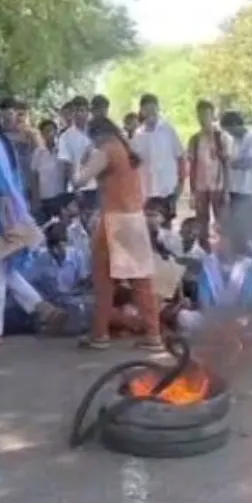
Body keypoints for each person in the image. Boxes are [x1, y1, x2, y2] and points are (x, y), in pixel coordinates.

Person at [0, 98, 63, 348]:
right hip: (10, 208)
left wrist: (2, 213)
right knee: (2, 269)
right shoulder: (2, 141)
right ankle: (41, 307)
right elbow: (14, 178)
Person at [74, 116, 164, 351]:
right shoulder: (127, 150)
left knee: (103, 280)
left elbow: (79, 180)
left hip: (114, 221)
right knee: (142, 281)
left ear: (96, 135)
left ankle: (100, 334)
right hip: (134, 219)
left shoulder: (107, 150)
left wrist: (83, 160)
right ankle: (153, 334)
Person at [132, 93, 184, 227]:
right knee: (149, 228)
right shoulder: (138, 135)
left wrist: (181, 183)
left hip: (167, 188)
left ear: (157, 109)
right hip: (147, 190)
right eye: (147, 109)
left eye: (153, 109)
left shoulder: (168, 130)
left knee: (166, 228)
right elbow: (134, 162)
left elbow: (180, 156)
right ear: (142, 111)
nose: (150, 113)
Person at [187, 100, 231, 252]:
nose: (203, 118)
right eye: (200, 115)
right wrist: (192, 191)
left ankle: (223, 253)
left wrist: (227, 189)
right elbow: (192, 166)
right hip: (201, 187)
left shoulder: (222, 138)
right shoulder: (195, 139)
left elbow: (227, 164)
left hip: (217, 186)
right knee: (201, 223)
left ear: (212, 116)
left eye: (206, 114)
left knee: (222, 223)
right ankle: (205, 253)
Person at [220, 110, 252, 252]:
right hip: (235, 189)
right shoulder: (233, 141)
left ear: (236, 125)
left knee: (248, 228)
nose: (229, 133)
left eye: (230, 130)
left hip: (248, 190)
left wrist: (234, 163)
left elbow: (251, 162)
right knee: (236, 230)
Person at [57, 96, 98, 213]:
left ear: (88, 112)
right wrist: (76, 188)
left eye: (82, 110)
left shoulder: (96, 132)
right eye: (75, 111)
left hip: (98, 186)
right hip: (80, 188)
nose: (79, 114)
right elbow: (67, 164)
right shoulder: (65, 137)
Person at [31, 118, 69, 220]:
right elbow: (34, 176)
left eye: (52, 130)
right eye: (46, 131)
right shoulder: (38, 153)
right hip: (45, 197)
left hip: (60, 195)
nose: (50, 134)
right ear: (42, 134)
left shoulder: (63, 150)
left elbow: (68, 171)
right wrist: (36, 198)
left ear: (56, 132)